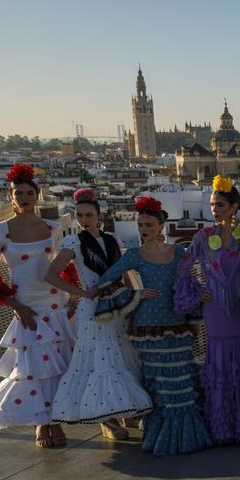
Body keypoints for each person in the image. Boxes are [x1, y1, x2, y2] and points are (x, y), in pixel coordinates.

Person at [95, 197, 211, 455]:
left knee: (181, 384)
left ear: (161, 226)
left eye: (148, 225)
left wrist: (197, 297)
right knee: (158, 386)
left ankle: (186, 436)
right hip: (148, 329)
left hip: (177, 326)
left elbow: (198, 276)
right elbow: (105, 281)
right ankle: (164, 435)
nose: (143, 229)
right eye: (140, 225)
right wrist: (135, 294)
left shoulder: (179, 252)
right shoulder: (134, 255)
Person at [0, 163, 74, 448]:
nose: (25, 197)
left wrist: (73, 297)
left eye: (30, 193)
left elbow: (63, 267)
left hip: (56, 304)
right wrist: (17, 306)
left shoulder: (53, 228)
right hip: (26, 307)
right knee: (32, 368)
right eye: (19, 193)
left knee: (57, 366)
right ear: (11, 197)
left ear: (37, 196)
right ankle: (41, 423)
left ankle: (55, 420)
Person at [46, 188, 151, 438]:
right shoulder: (74, 242)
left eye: (88, 215)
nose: (84, 220)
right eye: (80, 215)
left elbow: (124, 274)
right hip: (92, 308)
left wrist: (132, 298)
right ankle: (107, 417)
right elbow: (50, 275)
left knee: (121, 356)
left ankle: (124, 409)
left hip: (117, 304)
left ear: (98, 214)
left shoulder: (112, 240)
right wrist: (81, 293)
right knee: (100, 359)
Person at [173, 175, 240, 445]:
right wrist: (200, 291)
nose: (215, 210)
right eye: (213, 205)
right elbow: (183, 270)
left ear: (235, 207)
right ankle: (225, 428)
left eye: (220, 205)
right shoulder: (202, 237)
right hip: (215, 312)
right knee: (220, 364)